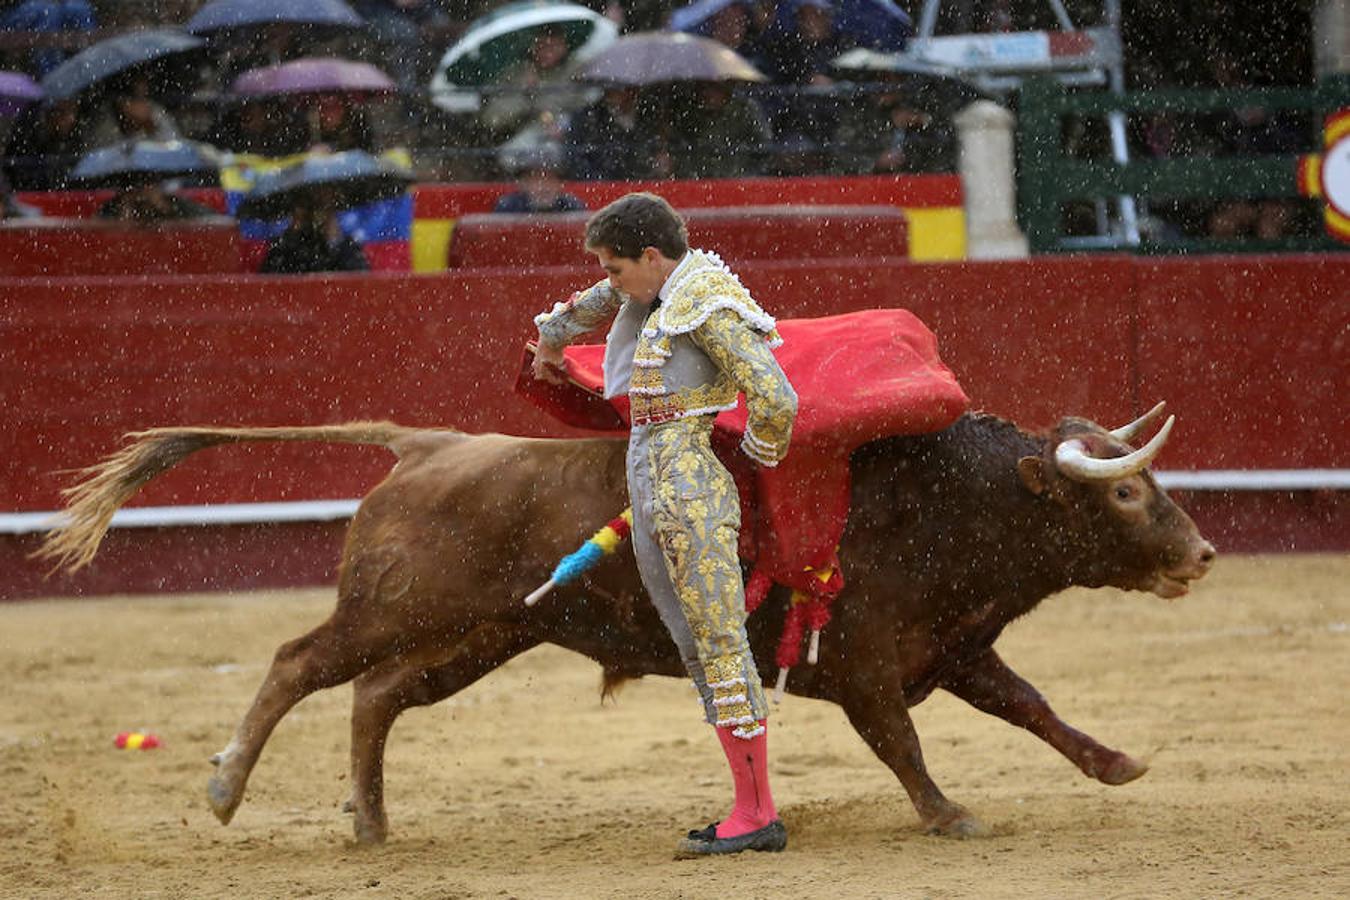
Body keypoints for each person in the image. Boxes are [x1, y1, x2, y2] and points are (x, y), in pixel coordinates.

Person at [531, 193, 797, 858]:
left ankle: (756, 813)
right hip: (652, 477)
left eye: (616, 268)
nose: (610, 282)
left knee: (717, 639)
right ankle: (749, 803)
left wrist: (762, 453)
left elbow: (775, 395)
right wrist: (550, 344)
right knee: (692, 638)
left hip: (687, 485)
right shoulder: (654, 287)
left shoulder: (705, 297)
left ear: (651, 256)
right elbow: (587, 308)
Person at [259, 190, 369, 274]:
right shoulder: (283, 246)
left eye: (327, 207)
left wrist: (333, 241)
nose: (322, 213)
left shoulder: (348, 246)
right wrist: (293, 234)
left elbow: (361, 279)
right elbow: (271, 277)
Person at [493, 143, 585, 213]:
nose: (543, 187)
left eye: (550, 179)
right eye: (536, 179)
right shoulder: (508, 208)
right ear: (523, 184)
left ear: (560, 184)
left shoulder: (572, 207)